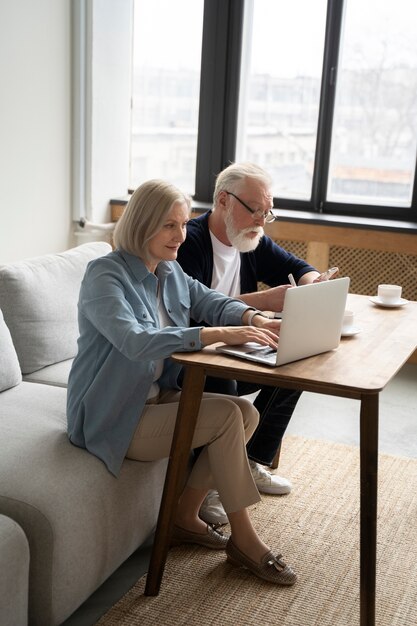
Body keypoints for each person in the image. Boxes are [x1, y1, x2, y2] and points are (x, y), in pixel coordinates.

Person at [66, 179, 297, 586]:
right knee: (228, 415)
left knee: (244, 413)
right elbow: (134, 341)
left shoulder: (169, 271)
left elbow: (210, 301)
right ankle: (245, 541)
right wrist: (213, 335)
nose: (182, 234)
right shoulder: (104, 276)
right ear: (142, 225)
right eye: (169, 226)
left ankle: (182, 517)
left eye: (184, 223)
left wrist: (254, 319)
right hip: (114, 413)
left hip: (155, 399)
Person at [177, 162, 324, 525]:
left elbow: (296, 265)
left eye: (267, 211)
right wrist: (262, 302)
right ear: (224, 201)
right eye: (254, 209)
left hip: (234, 345)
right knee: (224, 381)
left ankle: (253, 460)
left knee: (297, 365)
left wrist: (315, 281)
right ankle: (211, 484)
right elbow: (192, 311)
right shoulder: (189, 241)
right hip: (193, 353)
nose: (261, 219)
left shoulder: (250, 240)